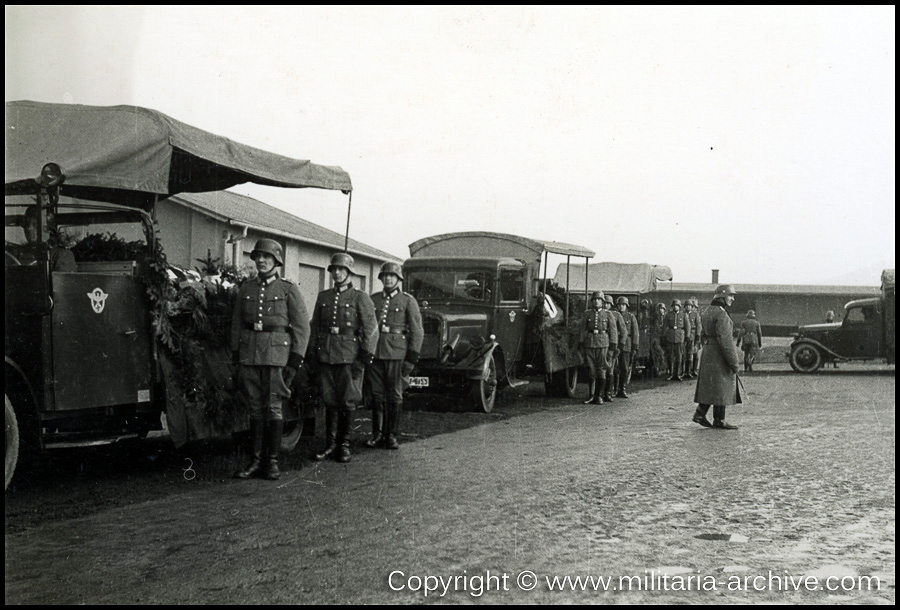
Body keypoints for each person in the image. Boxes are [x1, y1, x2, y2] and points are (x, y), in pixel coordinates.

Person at [231, 239, 309, 480]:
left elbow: (301, 327)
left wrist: (295, 361)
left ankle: (272, 462)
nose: (262, 261)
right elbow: (236, 324)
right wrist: (236, 354)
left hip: (276, 357)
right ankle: (254, 461)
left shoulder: (288, 289)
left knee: (274, 406)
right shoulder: (246, 289)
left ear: (277, 261)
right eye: (258, 257)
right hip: (250, 355)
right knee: (254, 408)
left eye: (267, 257)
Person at [309, 252, 378, 463]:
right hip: (326, 355)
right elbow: (316, 327)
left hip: (350, 357)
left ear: (349, 272)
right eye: (335, 270)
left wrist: (366, 355)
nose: (337, 273)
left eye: (342, 270)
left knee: (347, 401)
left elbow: (371, 328)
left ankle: (344, 445)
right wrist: (313, 351)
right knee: (329, 400)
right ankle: (330, 444)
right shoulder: (324, 297)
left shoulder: (360, 297)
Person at [365, 261, 424, 450]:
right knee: (376, 395)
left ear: (399, 279)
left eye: (392, 276)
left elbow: (417, 331)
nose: (388, 278)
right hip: (376, 353)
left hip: (396, 354)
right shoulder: (373, 299)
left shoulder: (408, 300)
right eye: (385, 276)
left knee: (394, 395)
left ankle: (391, 435)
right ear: (381, 278)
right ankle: (377, 434)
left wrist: (411, 358)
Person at [692, 284, 742, 430]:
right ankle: (718, 419)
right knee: (722, 385)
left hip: (708, 352)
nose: (732, 299)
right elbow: (726, 341)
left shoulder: (707, 311)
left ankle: (702, 414)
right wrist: (734, 362)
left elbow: (702, 334)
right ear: (722, 297)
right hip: (719, 354)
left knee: (713, 386)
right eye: (730, 296)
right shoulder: (721, 314)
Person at [9, 205, 77, 272]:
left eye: (35, 224)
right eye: (27, 224)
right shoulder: (19, 253)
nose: (29, 228)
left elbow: (61, 282)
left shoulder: (61, 255)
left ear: (48, 229)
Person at [579, 291, 612, 404]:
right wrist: (581, 342)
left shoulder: (608, 314)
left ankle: (599, 396)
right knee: (591, 369)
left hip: (603, 343)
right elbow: (582, 329)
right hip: (589, 343)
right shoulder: (587, 314)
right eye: (595, 299)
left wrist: (613, 346)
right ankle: (591, 395)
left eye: (599, 299)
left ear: (602, 302)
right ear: (592, 301)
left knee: (601, 369)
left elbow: (612, 331)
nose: (596, 301)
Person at [615, 296, 639, 399]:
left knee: (624, 368)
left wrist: (634, 346)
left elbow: (635, 332)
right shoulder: (614, 315)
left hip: (626, 345)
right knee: (615, 368)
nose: (621, 307)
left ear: (627, 306)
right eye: (620, 305)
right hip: (615, 343)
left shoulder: (631, 317)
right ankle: (614, 389)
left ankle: (622, 389)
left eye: (623, 305)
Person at [602, 294, 625, 402]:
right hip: (601, 344)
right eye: (604, 303)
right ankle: (600, 393)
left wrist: (620, 346)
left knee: (611, 370)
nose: (606, 305)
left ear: (611, 305)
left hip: (612, 345)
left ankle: (608, 393)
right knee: (601, 369)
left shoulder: (616, 315)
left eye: (608, 303)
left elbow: (623, 332)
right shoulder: (599, 314)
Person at [663, 299, 691, 381]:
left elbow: (688, 327)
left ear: (679, 307)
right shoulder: (668, 315)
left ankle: (678, 374)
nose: (676, 307)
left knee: (679, 356)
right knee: (670, 356)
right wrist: (664, 336)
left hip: (680, 337)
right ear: (672, 307)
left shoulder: (683, 315)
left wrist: (687, 336)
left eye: (677, 306)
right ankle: (671, 373)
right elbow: (664, 326)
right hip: (670, 337)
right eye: (674, 305)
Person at [683, 298, 702, 378]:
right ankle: (686, 371)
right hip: (684, 335)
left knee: (694, 353)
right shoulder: (682, 314)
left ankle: (693, 370)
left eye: (690, 306)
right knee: (685, 353)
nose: (688, 307)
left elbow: (698, 325)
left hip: (693, 335)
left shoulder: (695, 314)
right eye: (686, 306)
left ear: (692, 307)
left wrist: (697, 335)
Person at [649, 302, 668, 378]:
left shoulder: (667, 316)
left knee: (667, 353)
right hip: (657, 337)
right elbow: (653, 328)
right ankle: (658, 368)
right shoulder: (654, 318)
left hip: (666, 337)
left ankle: (665, 369)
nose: (661, 310)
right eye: (659, 309)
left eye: (662, 309)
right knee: (658, 353)